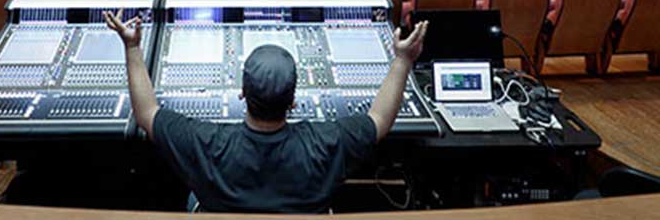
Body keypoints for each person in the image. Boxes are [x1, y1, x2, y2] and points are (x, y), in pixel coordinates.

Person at [104, 11, 428, 213]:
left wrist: (132, 47)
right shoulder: (328, 141)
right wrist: (402, 60)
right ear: (294, 101)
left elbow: (146, 113)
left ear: (242, 93)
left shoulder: (205, 141)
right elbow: (379, 120)